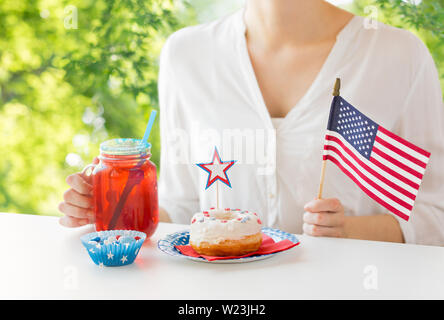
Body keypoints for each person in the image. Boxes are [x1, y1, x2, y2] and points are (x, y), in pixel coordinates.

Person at [59, 0, 444, 246]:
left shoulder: (397, 55)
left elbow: (436, 217)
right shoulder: (185, 54)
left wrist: (350, 232)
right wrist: (112, 209)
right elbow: (182, 210)